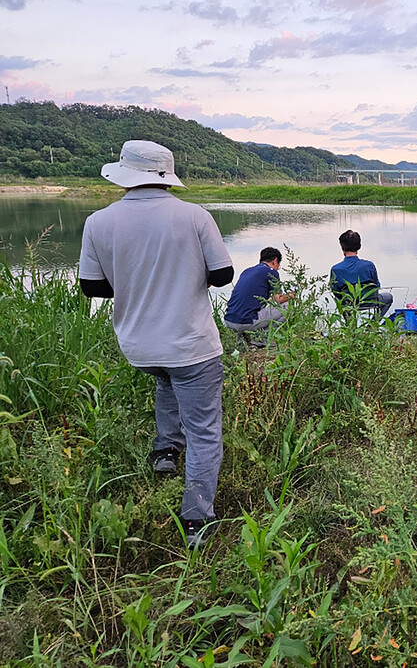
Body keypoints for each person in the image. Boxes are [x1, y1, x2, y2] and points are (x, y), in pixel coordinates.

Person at [78, 140, 233, 550]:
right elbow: (222, 275)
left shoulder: (98, 221)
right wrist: (182, 272)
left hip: (139, 346)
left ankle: (164, 451)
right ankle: (197, 519)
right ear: (167, 176)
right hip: (191, 344)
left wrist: (135, 279)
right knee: (204, 430)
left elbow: (91, 286)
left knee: (166, 383)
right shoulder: (195, 217)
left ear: (126, 175)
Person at [224, 247, 294, 346]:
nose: (277, 268)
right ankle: (262, 338)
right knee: (287, 306)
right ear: (275, 261)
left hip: (229, 321)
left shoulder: (247, 271)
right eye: (278, 265)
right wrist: (292, 295)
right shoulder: (272, 272)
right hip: (245, 322)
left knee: (249, 309)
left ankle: (242, 338)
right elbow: (279, 299)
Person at [329, 230, 393, 316]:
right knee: (388, 297)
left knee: (341, 301)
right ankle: (371, 327)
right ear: (359, 246)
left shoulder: (336, 269)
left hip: (349, 304)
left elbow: (335, 292)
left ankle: (351, 327)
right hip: (370, 301)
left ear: (341, 246)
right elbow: (377, 286)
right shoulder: (369, 265)